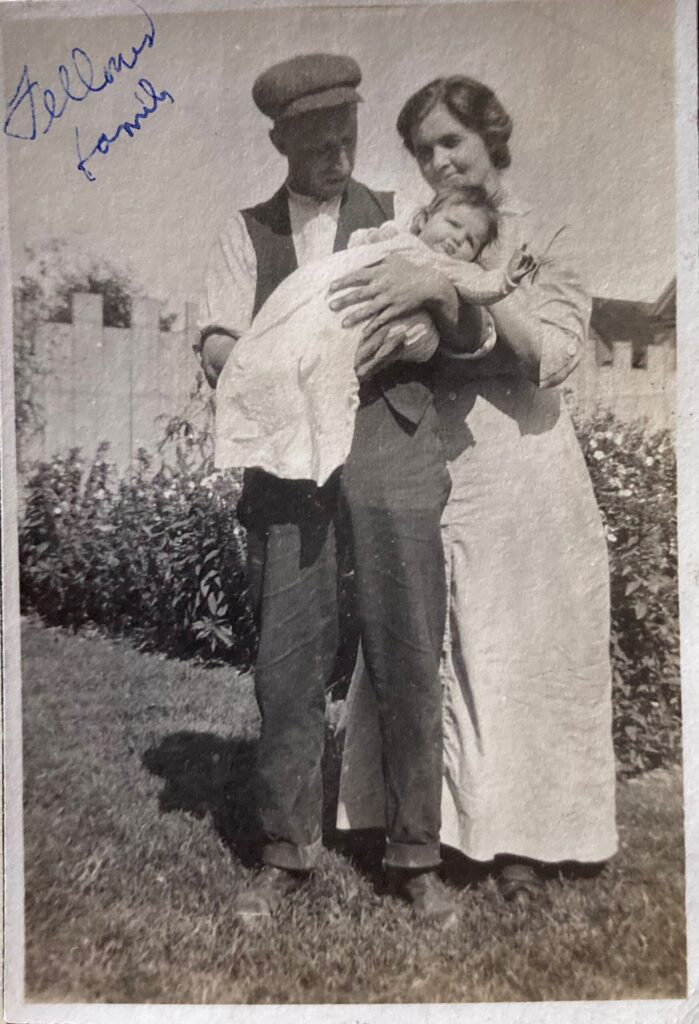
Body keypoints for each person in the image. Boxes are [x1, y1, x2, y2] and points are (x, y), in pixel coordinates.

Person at [197, 56, 494, 925]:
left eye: (348, 136)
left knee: (407, 646)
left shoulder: (403, 218)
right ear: (280, 139)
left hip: (389, 440)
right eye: (317, 139)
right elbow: (217, 347)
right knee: (287, 661)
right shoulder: (243, 234)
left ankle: (415, 855)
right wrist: (271, 367)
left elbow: (463, 323)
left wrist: (424, 315)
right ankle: (285, 854)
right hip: (290, 458)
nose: (336, 152)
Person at [334, 75, 618, 900]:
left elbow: (554, 354)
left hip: (524, 455)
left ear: (491, 135)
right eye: (422, 150)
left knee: (521, 647)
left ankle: (526, 841)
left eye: (450, 141)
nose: (437, 164)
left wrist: (449, 291)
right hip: (440, 452)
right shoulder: (413, 231)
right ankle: (433, 827)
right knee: (444, 632)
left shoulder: (546, 230)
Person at [215, 184, 534, 486]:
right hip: (353, 306)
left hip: (403, 340)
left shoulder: (448, 268)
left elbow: (481, 288)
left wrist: (506, 278)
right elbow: (359, 245)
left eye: (469, 242)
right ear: (423, 219)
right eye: (452, 224)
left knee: (392, 343)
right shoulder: (396, 234)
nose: (456, 241)